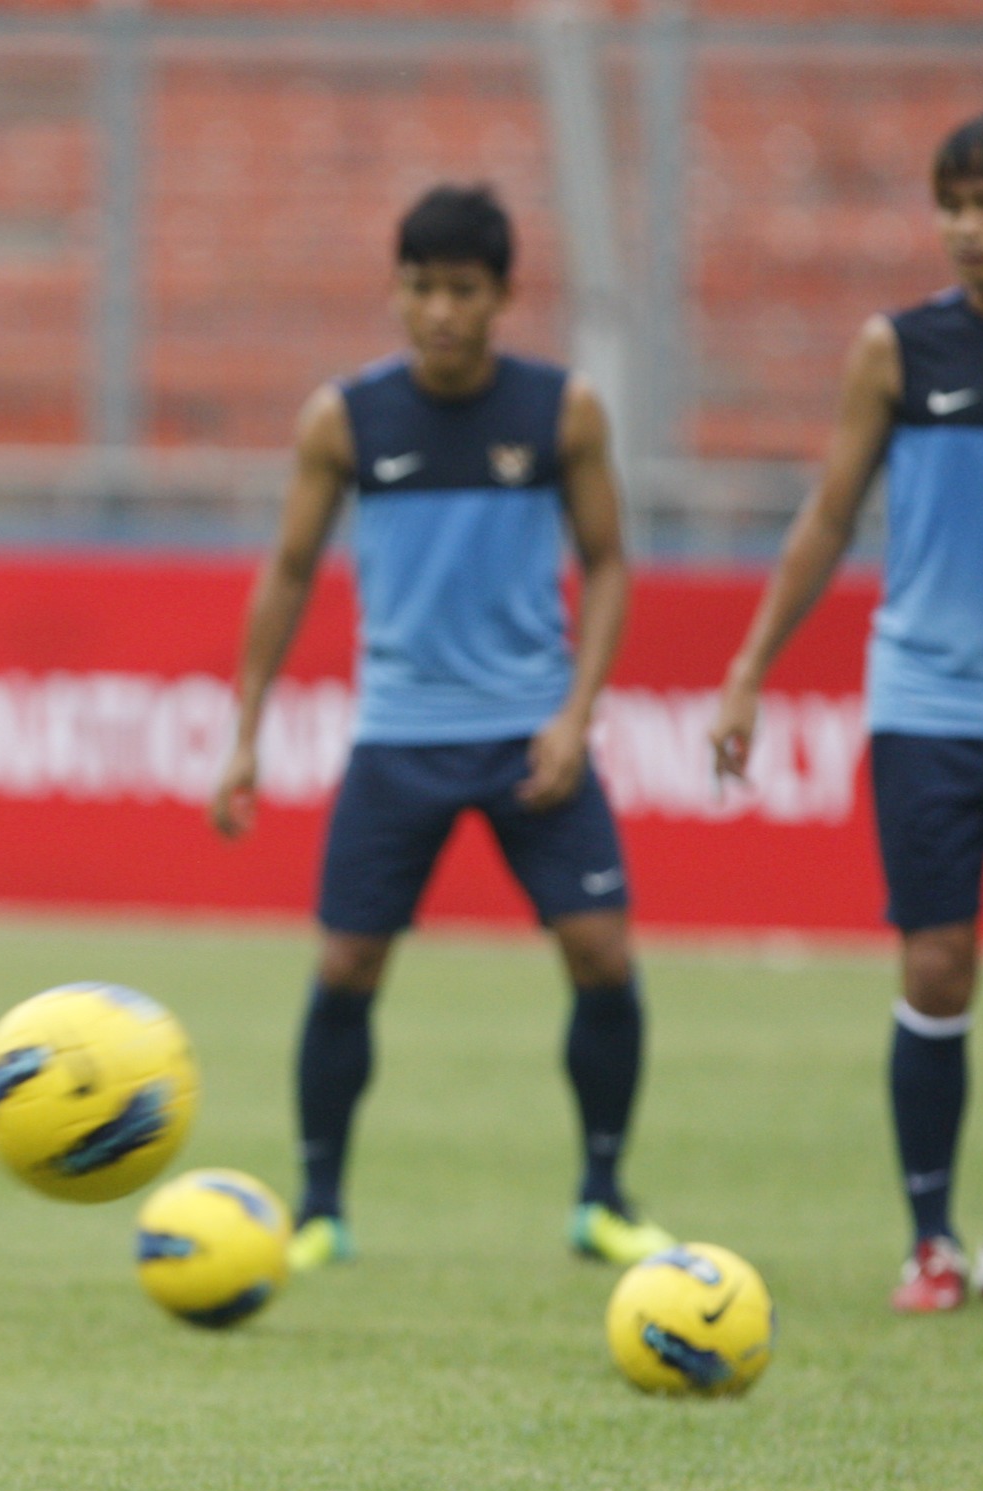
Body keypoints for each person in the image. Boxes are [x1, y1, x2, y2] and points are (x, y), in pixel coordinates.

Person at [711, 111, 983, 1312]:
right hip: (926, 708)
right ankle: (930, 1243)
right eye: (949, 202)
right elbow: (826, 518)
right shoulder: (895, 351)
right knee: (940, 960)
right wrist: (750, 666)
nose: (961, 225)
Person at [210, 183, 675, 1273]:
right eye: (419, 288)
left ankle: (602, 1196)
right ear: (395, 290)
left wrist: (575, 713)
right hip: (401, 737)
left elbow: (607, 563)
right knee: (346, 964)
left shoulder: (563, 411)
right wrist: (245, 732)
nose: (439, 312)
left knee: (601, 955)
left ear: (504, 295)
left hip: (531, 738)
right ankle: (320, 1206)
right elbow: (286, 573)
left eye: (462, 290)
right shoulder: (345, 419)